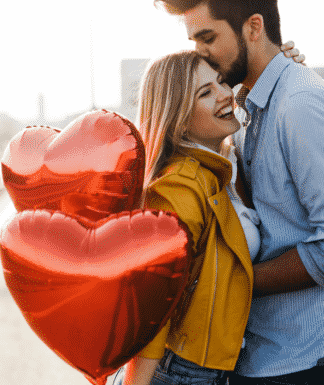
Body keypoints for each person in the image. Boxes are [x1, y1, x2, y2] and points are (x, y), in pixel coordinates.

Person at [112, 42, 304, 385]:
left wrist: (283, 74)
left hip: (221, 365)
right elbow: (154, 304)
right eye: (205, 92)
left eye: (220, 81)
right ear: (179, 119)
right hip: (183, 373)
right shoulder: (179, 189)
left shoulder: (222, 164)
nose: (224, 94)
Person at [152, 1, 324, 384]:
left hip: (297, 360)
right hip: (252, 353)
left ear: (253, 27)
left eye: (207, 37)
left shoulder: (297, 103)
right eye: (194, 40)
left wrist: (230, 281)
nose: (199, 51)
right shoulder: (246, 108)